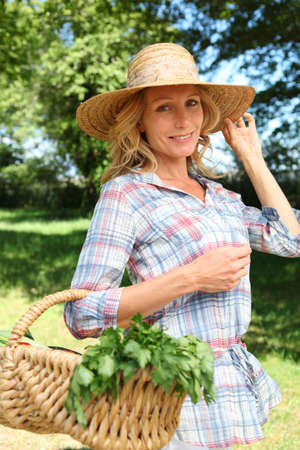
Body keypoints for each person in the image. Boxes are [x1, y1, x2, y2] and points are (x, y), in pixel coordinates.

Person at [64, 43, 300, 449]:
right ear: (139, 121)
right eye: (163, 107)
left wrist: (252, 157)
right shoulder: (126, 195)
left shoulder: (221, 198)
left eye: (191, 102)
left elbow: (289, 239)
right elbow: (81, 313)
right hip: (168, 390)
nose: (183, 119)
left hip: (227, 383)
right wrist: (191, 277)